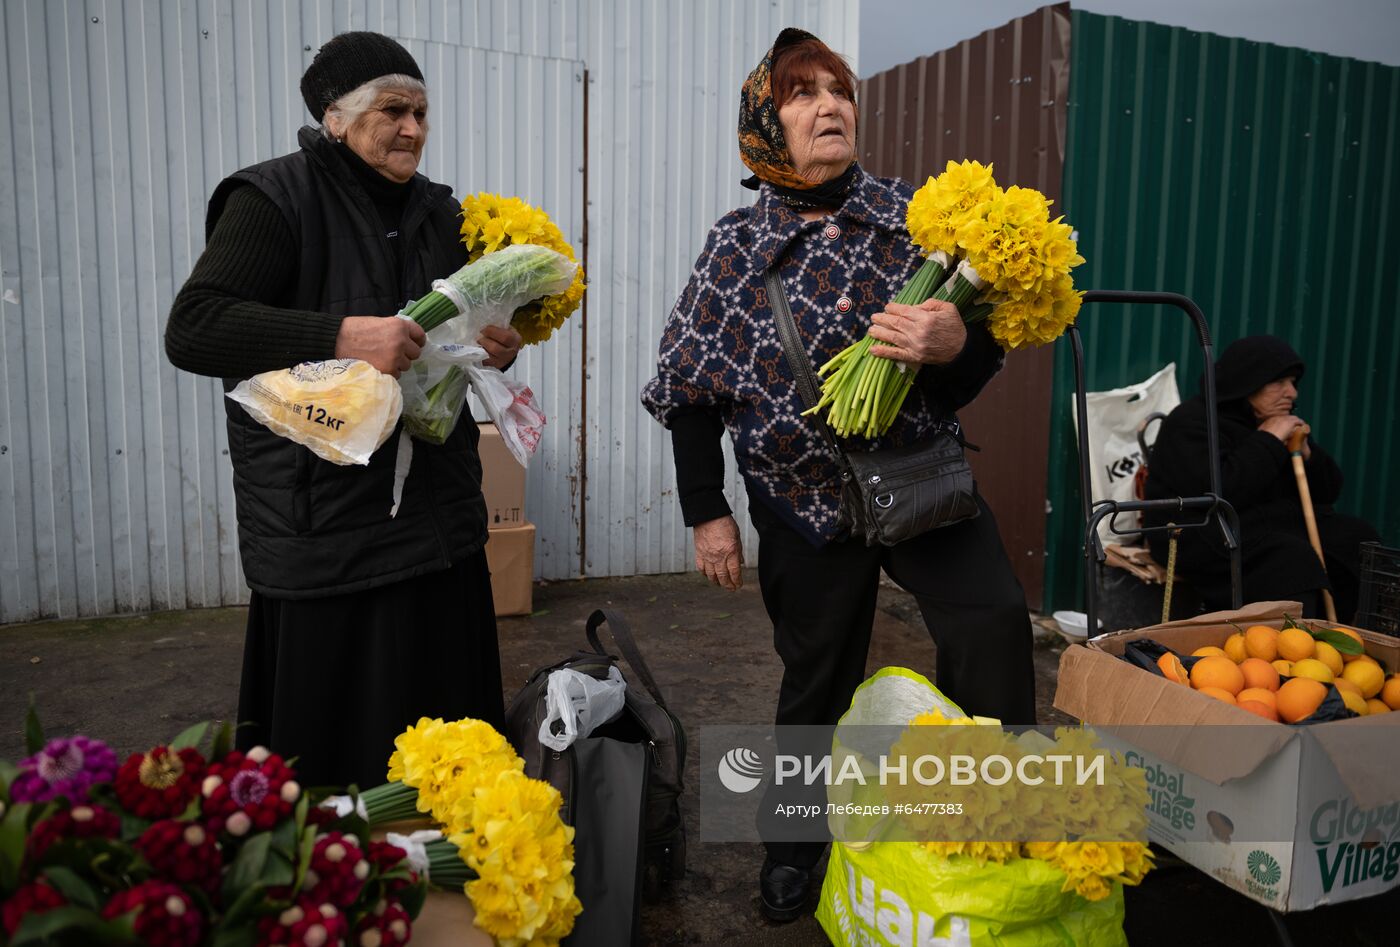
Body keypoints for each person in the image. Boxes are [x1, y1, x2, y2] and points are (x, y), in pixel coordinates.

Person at [640, 28, 1036, 921]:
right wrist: (709, 512)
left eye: (839, 90)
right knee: (815, 679)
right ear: (764, 122)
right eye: (802, 93)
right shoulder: (736, 246)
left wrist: (956, 341)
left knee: (995, 622)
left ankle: (994, 821)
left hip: (920, 483)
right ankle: (793, 852)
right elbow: (690, 388)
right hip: (800, 503)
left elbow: (972, 372)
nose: (829, 106)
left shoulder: (917, 220)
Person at [165, 32, 520, 788]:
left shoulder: (438, 212)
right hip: (328, 536)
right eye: (393, 110)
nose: (414, 129)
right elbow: (195, 327)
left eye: (422, 112)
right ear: (334, 115)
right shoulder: (273, 201)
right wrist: (342, 335)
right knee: (338, 769)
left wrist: (491, 345)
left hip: (437, 528)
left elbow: (445, 339)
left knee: (448, 765)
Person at [1144, 335, 1380, 622]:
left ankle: (1357, 634)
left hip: (1264, 523)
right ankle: (1294, 648)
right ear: (1247, 383)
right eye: (1279, 382)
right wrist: (1268, 439)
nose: (1292, 393)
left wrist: (1307, 454)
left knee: (1355, 538)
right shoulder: (1192, 421)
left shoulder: (1275, 420)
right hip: (1198, 532)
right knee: (1290, 559)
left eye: (1293, 382)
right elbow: (1220, 491)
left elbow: (1326, 493)